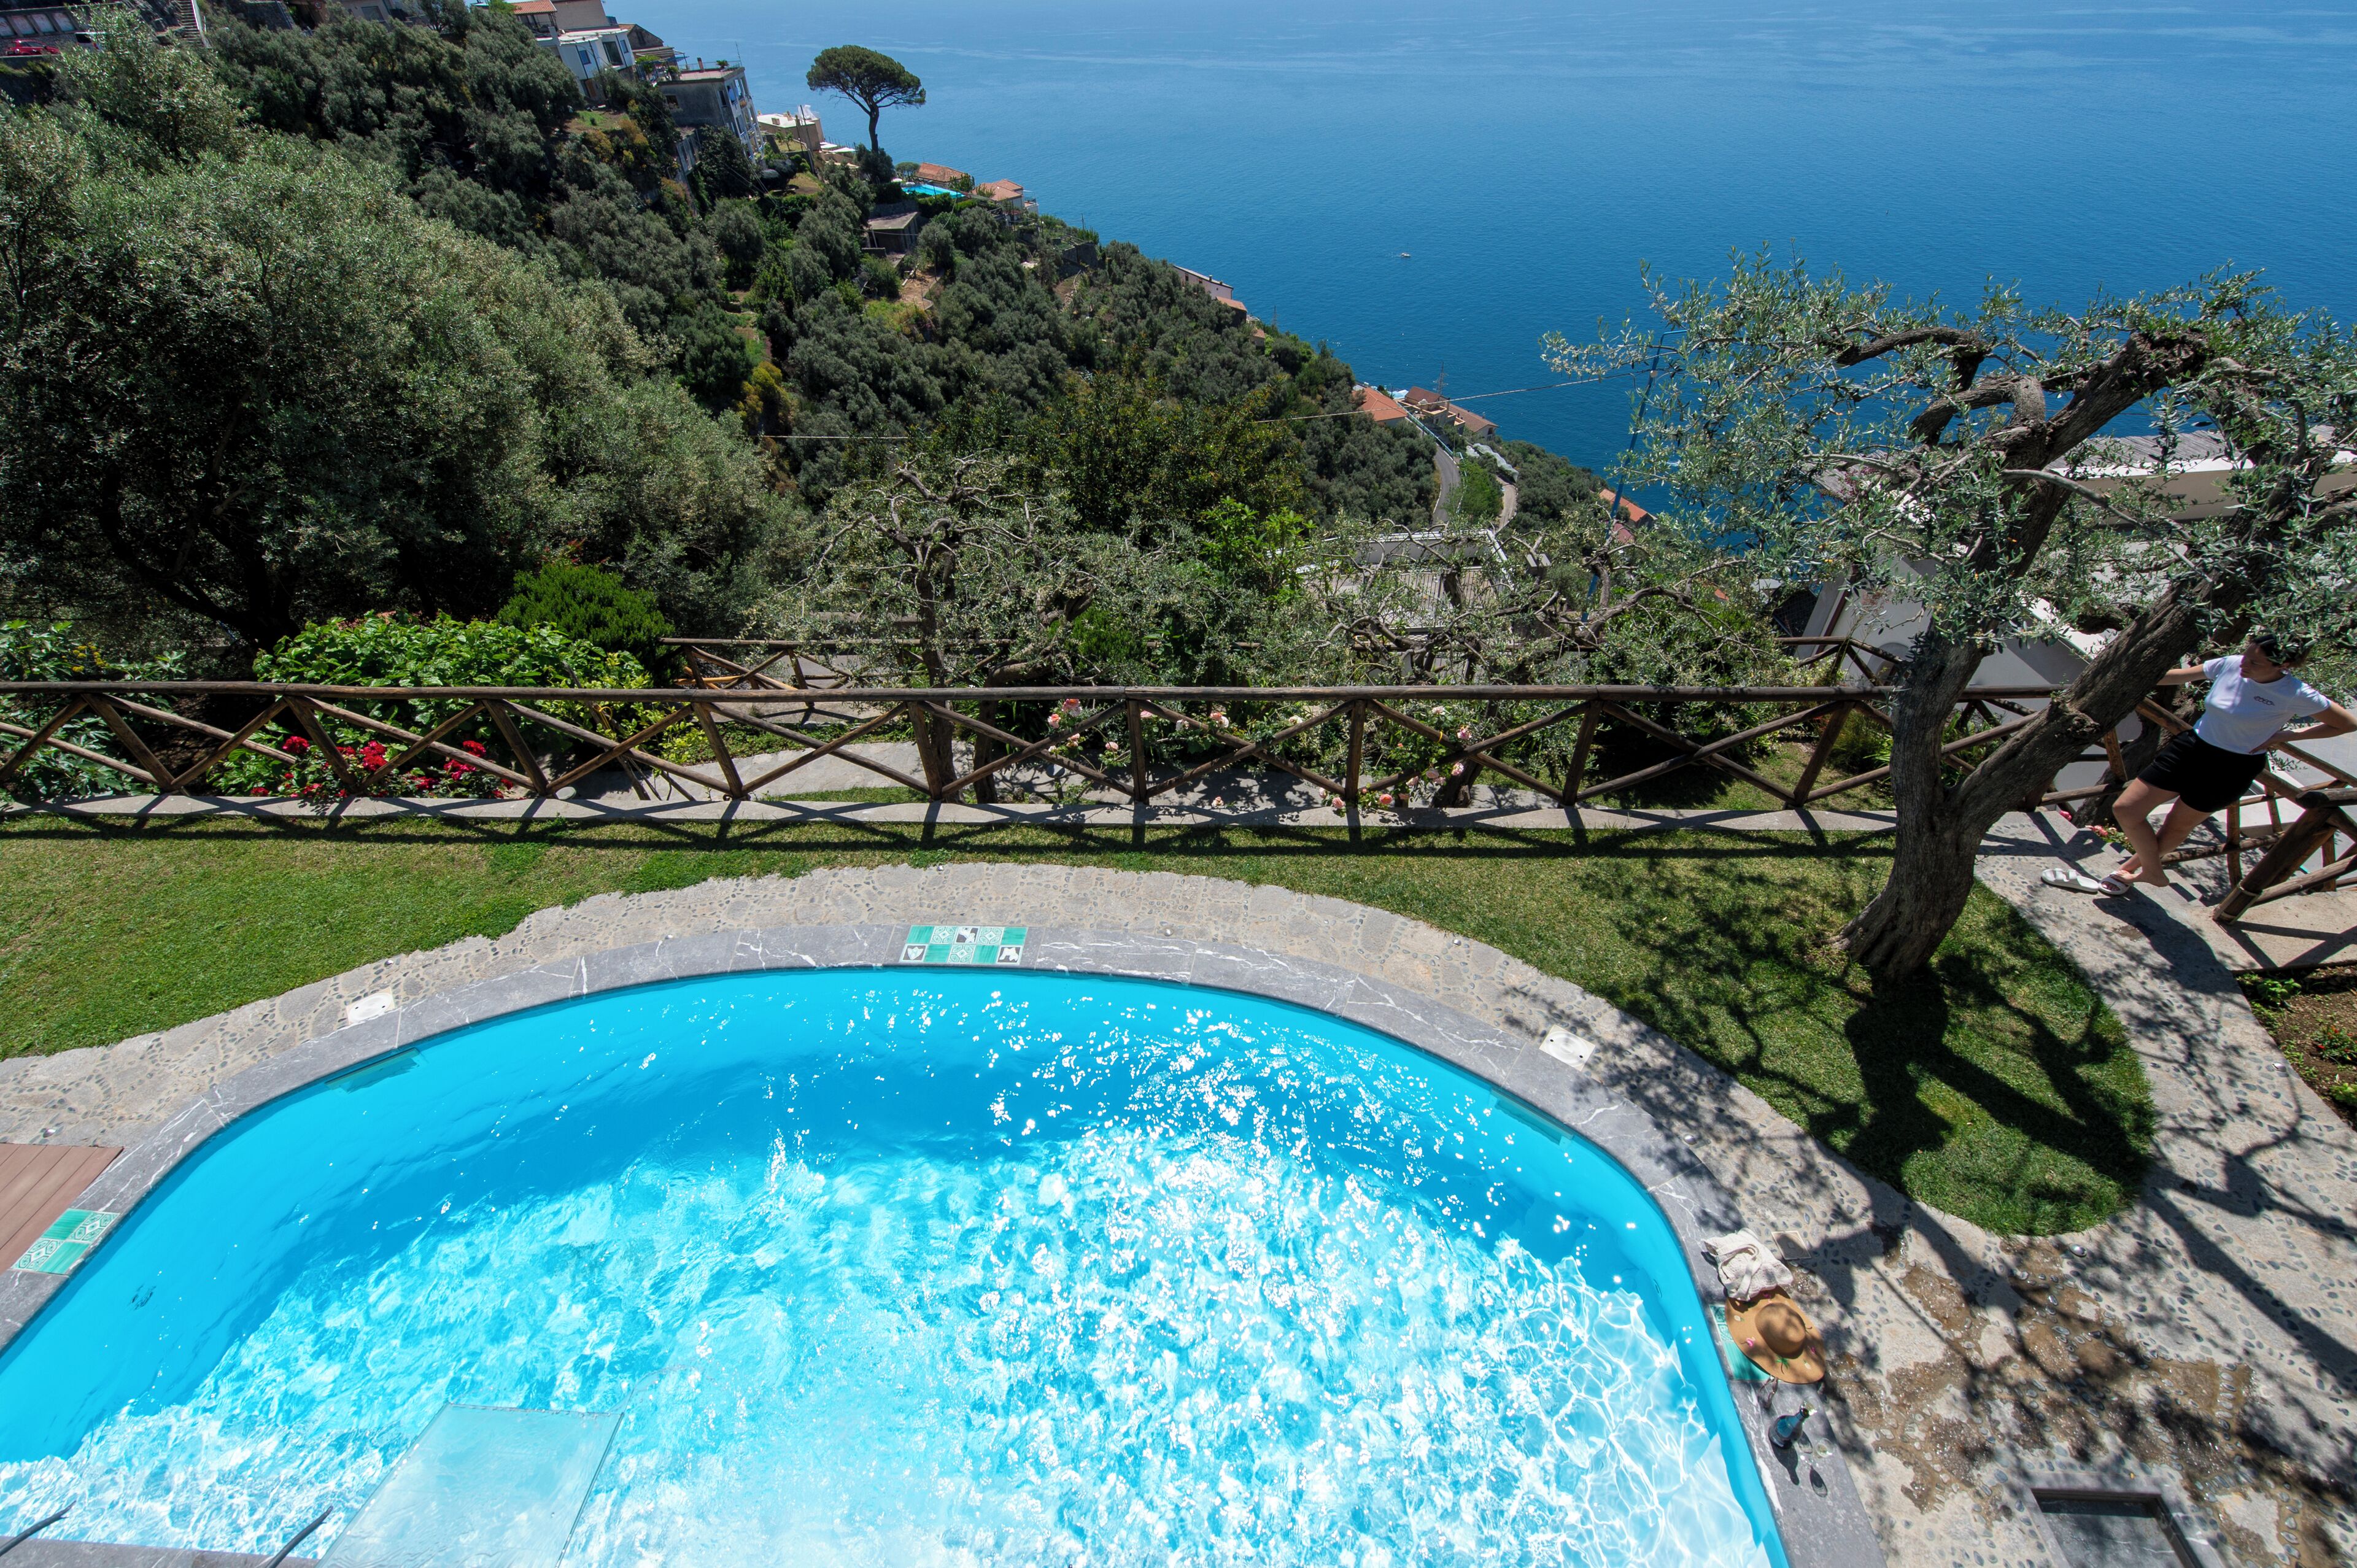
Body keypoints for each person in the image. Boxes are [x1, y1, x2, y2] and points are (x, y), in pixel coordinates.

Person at [2046, 632, 2354, 897]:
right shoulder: (2233, 664)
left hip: (2233, 767)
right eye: (2247, 655)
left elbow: (2346, 724)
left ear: (2283, 666)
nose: (2244, 663)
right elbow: (2182, 676)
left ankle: (2131, 872)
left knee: (2178, 825)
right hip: (2192, 748)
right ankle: (2154, 871)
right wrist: (2131, 673)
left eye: (2255, 663)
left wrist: (2288, 734)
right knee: (2127, 809)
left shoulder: (2296, 694)